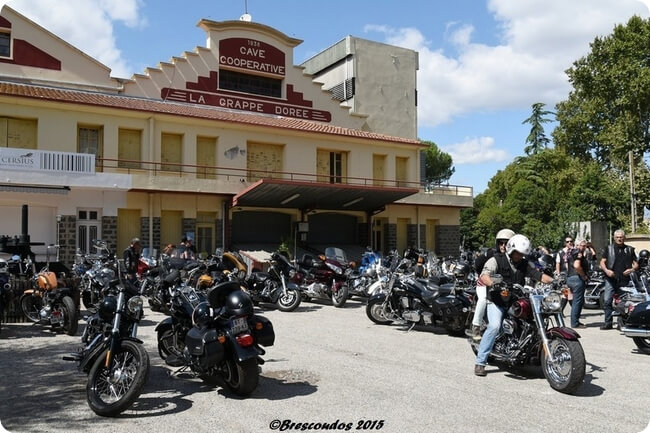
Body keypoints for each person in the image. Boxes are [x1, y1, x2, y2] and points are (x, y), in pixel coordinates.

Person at [474, 234, 554, 377]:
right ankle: (480, 362)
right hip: (497, 301)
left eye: (522, 253)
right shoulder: (496, 260)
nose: (519, 256)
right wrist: (493, 283)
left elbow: (538, 275)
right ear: (511, 250)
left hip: (515, 300)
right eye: (517, 253)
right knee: (494, 326)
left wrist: (554, 281)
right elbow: (484, 275)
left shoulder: (524, 263)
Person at [470, 228, 515, 341]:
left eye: (506, 243)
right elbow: (477, 264)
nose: (503, 246)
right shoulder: (491, 254)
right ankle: (476, 326)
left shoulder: (516, 257)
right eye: (501, 243)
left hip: (504, 287)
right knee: (483, 299)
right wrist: (487, 278)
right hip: (485, 284)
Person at [599, 229, 638, 330]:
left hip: (625, 279)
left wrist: (631, 269)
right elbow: (602, 262)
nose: (619, 239)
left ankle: (621, 323)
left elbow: (636, 264)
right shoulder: (609, 248)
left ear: (624, 238)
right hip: (611, 278)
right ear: (614, 238)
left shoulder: (630, 249)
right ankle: (608, 323)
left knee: (623, 302)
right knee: (607, 300)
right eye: (617, 237)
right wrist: (607, 271)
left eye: (621, 237)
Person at [566, 239, 589, 329]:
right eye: (581, 245)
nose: (583, 247)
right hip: (577, 279)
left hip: (570, 278)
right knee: (577, 302)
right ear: (577, 245)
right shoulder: (578, 253)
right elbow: (576, 265)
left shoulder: (570, 252)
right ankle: (575, 323)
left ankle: (575, 321)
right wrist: (583, 275)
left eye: (584, 245)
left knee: (576, 301)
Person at [555, 236, 574, 316]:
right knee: (568, 292)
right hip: (564, 274)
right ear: (565, 243)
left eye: (570, 241)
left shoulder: (574, 251)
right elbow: (558, 263)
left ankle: (561, 310)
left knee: (566, 294)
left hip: (572, 274)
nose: (569, 243)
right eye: (567, 241)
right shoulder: (561, 252)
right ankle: (574, 311)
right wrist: (558, 274)